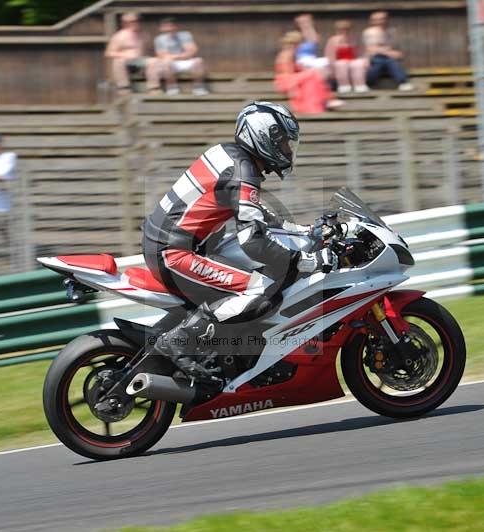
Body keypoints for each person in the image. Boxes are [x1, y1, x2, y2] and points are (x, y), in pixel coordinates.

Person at [142, 101, 338, 380]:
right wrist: (305, 261)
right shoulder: (242, 172)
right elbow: (253, 241)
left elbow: (261, 218)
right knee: (261, 289)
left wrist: (309, 233)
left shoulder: (229, 156)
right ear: (263, 137)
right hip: (175, 253)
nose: (287, 150)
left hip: (169, 243)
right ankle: (180, 341)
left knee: (244, 277)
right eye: (282, 141)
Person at [275, 31, 343, 114]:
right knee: (314, 73)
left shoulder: (292, 53)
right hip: (286, 81)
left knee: (313, 79)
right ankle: (326, 100)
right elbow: (287, 73)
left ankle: (324, 100)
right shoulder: (287, 54)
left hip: (291, 79)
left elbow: (297, 69)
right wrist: (293, 89)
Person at [105, 12, 162, 94]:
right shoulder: (119, 36)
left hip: (141, 62)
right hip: (126, 63)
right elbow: (109, 53)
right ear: (125, 23)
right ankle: (124, 88)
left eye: (137, 21)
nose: (135, 23)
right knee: (118, 61)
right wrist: (125, 55)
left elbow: (151, 50)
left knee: (153, 61)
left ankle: (154, 88)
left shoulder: (145, 34)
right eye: (132, 21)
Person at [154, 17, 209, 96]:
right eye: (166, 26)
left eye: (171, 26)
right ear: (162, 28)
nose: (169, 28)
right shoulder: (159, 39)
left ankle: (199, 87)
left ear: (175, 26)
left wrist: (176, 57)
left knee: (199, 61)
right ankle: (172, 88)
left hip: (186, 62)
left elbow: (192, 51)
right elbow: (162, 55)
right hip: (171, 64)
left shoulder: (185, 35)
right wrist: (183, 55)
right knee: (166, 62)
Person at [362, 11, 414, 91]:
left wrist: (396, 53)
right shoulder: (369, 32)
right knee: (381, 61)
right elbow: (371, 49)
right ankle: (403, 82)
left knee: (390, 61)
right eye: (377, 20)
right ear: (372, 21)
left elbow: (394, 47)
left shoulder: (391, 31)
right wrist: (389, 52)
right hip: (373, 59)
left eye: (382, 19)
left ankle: (403, 83)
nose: (380, 21)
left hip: (388, 59)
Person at [325, 20, 369, 93]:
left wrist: (365, 61)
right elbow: (330, 56)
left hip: (353, 60)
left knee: (358, 64)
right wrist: (332, 66)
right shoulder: (332, 40)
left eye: (347, 29)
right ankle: (344, 86)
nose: (344, 31)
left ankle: (360, 85)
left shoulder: (355, 39)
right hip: (339, 61)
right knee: (341, 64)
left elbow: (362, 53)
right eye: (341, 30)